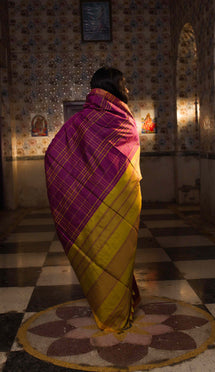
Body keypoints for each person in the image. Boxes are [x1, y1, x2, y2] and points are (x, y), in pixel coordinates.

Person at [45, 67, 142, 331]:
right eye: (124, 84)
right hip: (119, 199)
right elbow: (56, 154)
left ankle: (114, 309)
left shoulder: (80, 121)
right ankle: (113, 314)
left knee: (112, 254)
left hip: (119, 200)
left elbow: (54, 153)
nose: (128, 90)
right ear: (113, 87)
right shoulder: (121, 120)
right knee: (106, 254)